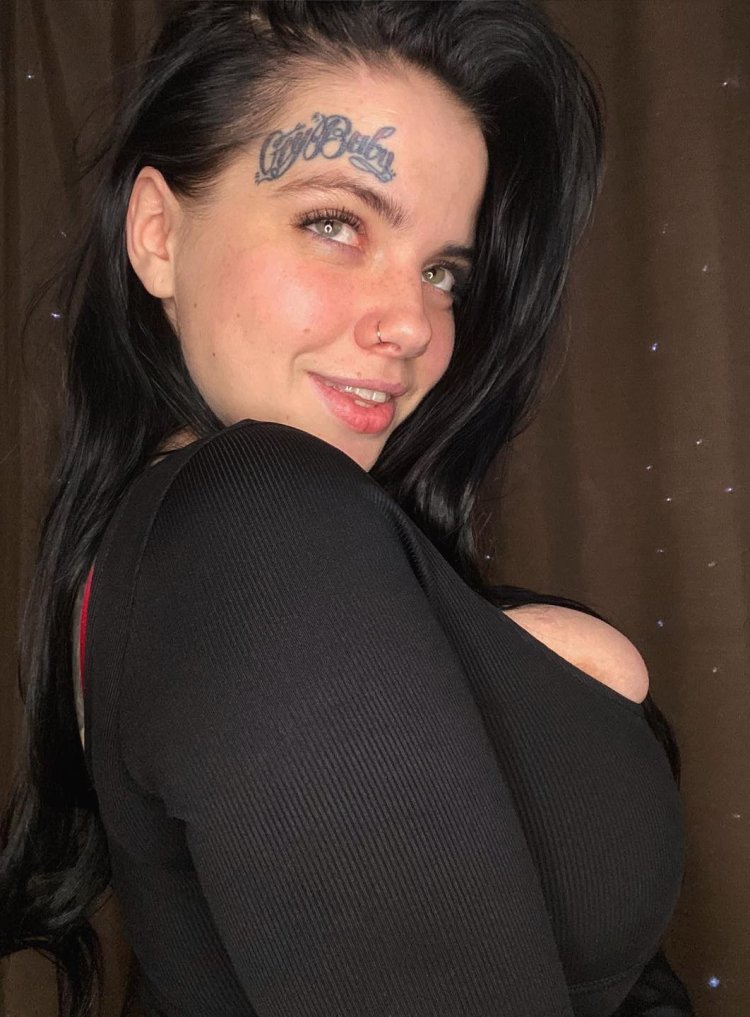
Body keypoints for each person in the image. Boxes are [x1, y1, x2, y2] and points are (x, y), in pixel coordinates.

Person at [0, 2, 693, 1015]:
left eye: (443, 272)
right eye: (334, 223)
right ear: (157, 234)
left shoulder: (222, 547)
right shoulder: (253, 523)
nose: (412, 323)